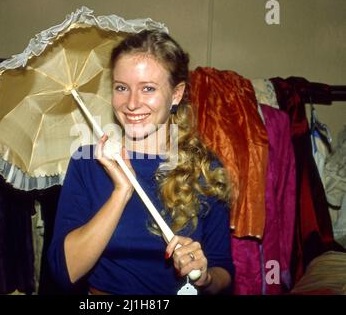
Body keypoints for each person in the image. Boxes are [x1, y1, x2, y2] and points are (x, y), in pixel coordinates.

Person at [48, 30, 234, 295]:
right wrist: (120, 192)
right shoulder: (86, 162)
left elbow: (223, 271)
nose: (132, 103)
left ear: (177, 94)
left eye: (148, 88)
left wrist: (204, 278)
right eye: (121, 88)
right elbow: (65, 271)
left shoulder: (206, 169)